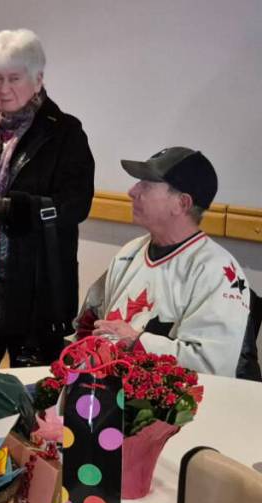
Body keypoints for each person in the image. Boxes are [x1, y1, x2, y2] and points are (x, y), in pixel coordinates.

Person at [0, 29, 95, 369]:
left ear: (38, 78)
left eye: (14, 79)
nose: (3, 90)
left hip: (34, 290)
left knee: (33, 396)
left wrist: (13, 208)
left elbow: (76, 205)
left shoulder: (64, 133)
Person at [76, 147, 250, 377]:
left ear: (182, 203)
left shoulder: (218, 271)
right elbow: (87, 323)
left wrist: (136, 341)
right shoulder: (131, 251)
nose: (131, 191)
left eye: (146, 185)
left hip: (174, 407)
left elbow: (211, 366)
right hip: (106, 396)